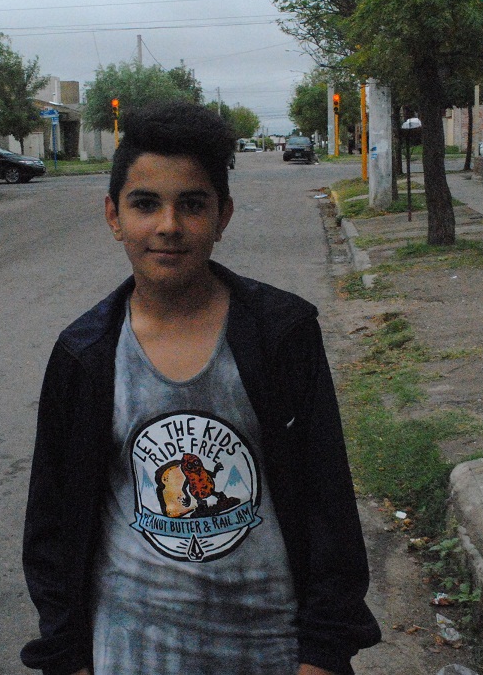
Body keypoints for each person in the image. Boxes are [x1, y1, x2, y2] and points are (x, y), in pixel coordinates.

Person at [21, 101, 380, 675]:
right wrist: (69, 658)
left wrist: (322, 653)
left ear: (223, 216)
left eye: (191, 204)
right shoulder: (84, 355)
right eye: (145, 204)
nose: (168, 226)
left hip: (272, 646)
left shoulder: (281, 335)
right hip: (132, 645)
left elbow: (326, 499)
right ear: (114, 217)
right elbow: (53, 525)